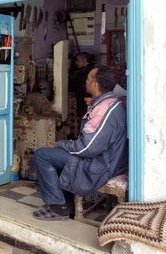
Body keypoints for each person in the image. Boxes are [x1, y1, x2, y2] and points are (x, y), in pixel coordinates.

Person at [33, 66, 128, 221]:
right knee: (54, 156)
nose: (86, 81)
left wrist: (61, 144)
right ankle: (68, 205)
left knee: (42, 155)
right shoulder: (111, 103)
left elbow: (87, 148)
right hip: (107, 160)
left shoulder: (105, 109)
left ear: (96, 84)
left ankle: (58, 207)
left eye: (89, 78)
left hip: (100, 165)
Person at [69, 53, 95, 119]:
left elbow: (77, 82)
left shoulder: (88, 71)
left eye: (78, 60)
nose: (76, 62)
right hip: (83, 98)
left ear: (84, 60)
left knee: (86, 115)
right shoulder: (83, 70)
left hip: (87, 97)